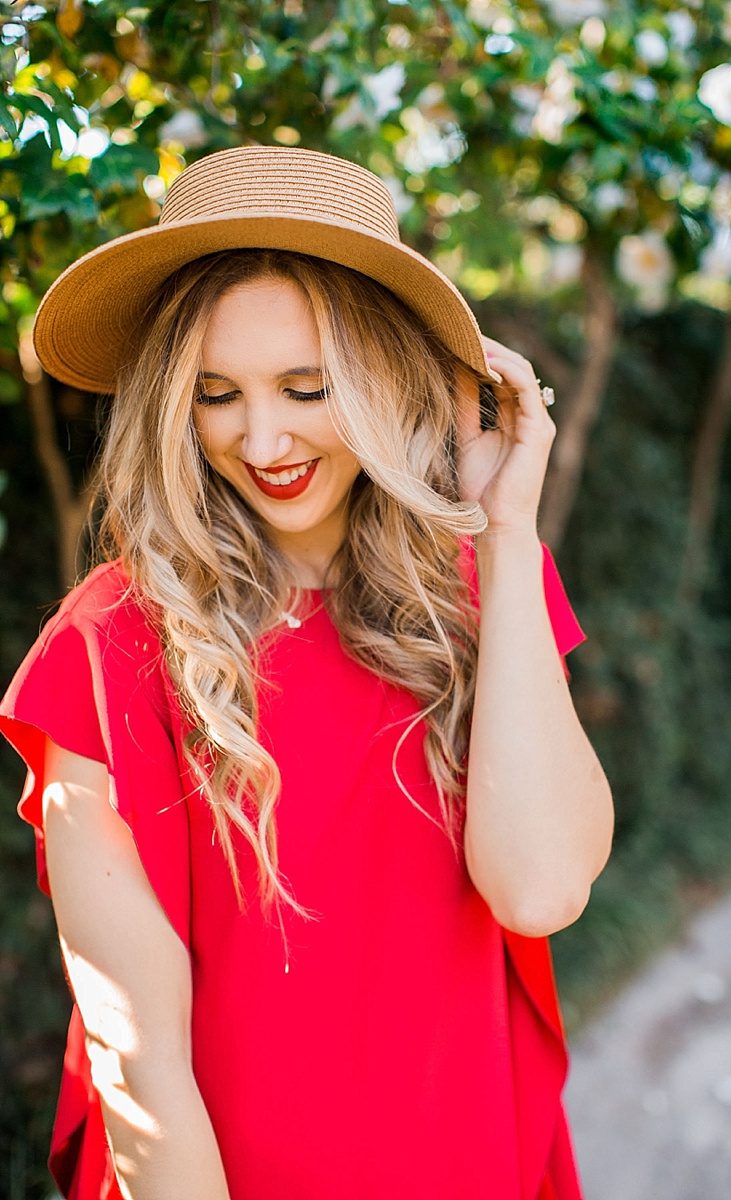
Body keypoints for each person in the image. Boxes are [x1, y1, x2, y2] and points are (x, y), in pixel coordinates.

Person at [0, 145, 614, 1200]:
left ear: (381, 379)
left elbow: (541, 886)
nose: (262, 436)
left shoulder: (482, 587)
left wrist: (506, 531)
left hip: (470, 1158)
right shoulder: (106, 645)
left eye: (305, 386)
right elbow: (136, 1060)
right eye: (216, 394)